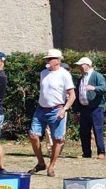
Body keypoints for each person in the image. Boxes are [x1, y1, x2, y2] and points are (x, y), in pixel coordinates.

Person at [29, 49, 75, 177]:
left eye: (50, 59)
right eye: (46, 59)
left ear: (58, 60)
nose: (47, 61)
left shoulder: (64, 74)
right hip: (41, 109)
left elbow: (72, 95)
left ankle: (51, 166)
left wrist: (64, 109)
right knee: (33, 135)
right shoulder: (43, 73)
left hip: (56, 109)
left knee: (57, 139)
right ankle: (41, 163)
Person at [74, 57, 106, 159]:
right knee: (84, 131)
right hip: (84, 108)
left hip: (96, 108)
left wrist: (93, 88)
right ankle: (86, 153)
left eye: (81, 65)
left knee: (97, 130)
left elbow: (104, 88)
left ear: (87, 65)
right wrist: (75, 111)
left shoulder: (97, 76)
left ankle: (101, 152)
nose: (79, 67)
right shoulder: (81, 78)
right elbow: (77, 94)